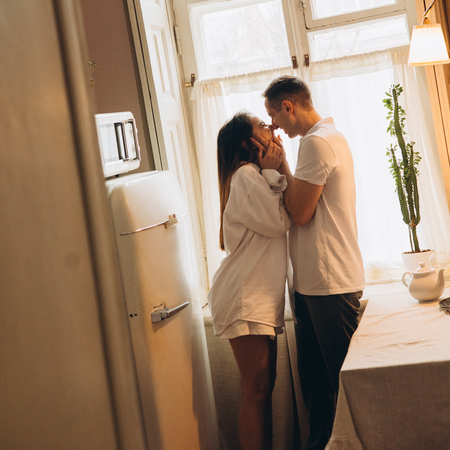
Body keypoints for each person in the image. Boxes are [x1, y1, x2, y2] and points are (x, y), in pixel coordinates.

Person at [253, 75, 365, 450]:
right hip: (313, 282)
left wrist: (278, 167)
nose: (273, 126)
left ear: (288, 106)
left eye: (273, 115)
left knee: (339, 385)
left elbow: (300, 213)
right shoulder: (325, 138)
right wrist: (285, 164)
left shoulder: (318, 142)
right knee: (316, 387)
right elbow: (303, 204)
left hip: (328, 281)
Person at [208, 111, 291, 450]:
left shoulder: (251, 176)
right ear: (248, 143)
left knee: (262, 388)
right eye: (262, 125)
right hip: (245, 296)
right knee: (256, 391)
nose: (270, 128)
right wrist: (272, 171)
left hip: (254, 295)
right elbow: (278, 222)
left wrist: (274, 170)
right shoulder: (246, 175)